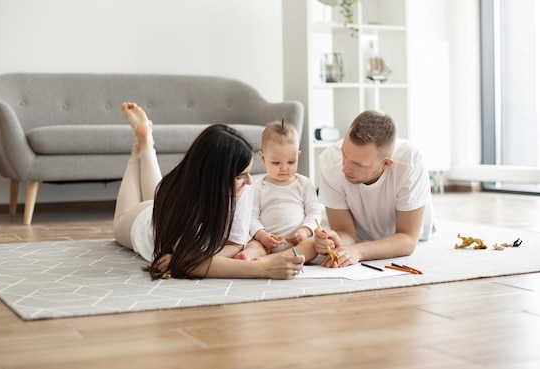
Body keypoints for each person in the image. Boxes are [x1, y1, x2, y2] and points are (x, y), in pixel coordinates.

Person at [113, 102, 305, 280]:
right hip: (143, 224)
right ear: (214, 178)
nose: (248, 181)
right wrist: (265, 270)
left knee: (158, 196)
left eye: (248, 173)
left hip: (162, 211)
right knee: (121, 219)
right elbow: (189, 264)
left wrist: (196, 259)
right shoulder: (184, 203)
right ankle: (137, 152)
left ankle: (146, 144)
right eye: (239, 176)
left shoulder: (244, 189)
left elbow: (234, 244)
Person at [315, 109, 436, 268]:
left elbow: (407, 239)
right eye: (344, 153)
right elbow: (345, 232)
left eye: (358, 164)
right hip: (360, 237)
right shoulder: (330, 160)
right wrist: (333, 239)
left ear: (385, 164)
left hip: (411, 234)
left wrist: (359, 251)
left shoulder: (410, 160)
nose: (344, 168)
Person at [235, 118, 321, 262]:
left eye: (291, 162)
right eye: (276, 163)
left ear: (298, 156)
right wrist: (262, 235)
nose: (284, 168)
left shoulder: (304, 184)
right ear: (263, 158)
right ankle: (248, 257)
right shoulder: (258, 186)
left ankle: (272, 259)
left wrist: (305, 231)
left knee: (312, 246)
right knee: (254, 245)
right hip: (267, 243)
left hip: (296, 243)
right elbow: (251, 216)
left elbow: (314, 213)